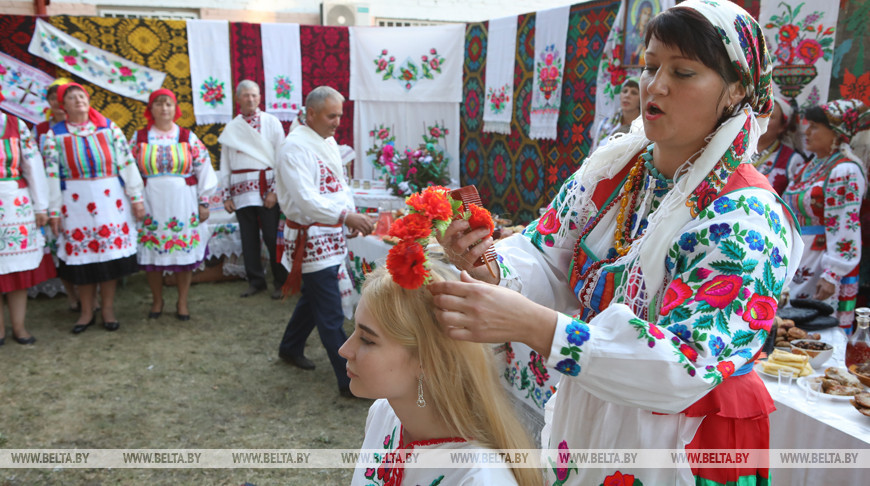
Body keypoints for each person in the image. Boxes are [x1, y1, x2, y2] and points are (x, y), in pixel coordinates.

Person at [429, 2, 803, 484]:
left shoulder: (745, 216)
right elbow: (546, 255)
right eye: (650, 67)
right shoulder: (616, 171)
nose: (656, 85)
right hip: (598, 406)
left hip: (682, 438)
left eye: (683, 72)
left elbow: (686, 362)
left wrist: (541, 329)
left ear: (736, 92)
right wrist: (488, 261)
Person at [342, 264, 539, 486]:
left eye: (367, 339)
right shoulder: (384, 414)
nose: (344, 350)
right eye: (355, 333)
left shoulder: (479, 477)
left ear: (425, 360)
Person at [274, 86, 373, 395]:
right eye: (332, 116)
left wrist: (350, 216)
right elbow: (305, 200)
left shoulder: (326, 141)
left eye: (340, 115)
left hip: (329, 234)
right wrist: (346, 217)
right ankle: (348, 382)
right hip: (312, 238)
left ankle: (290, 347)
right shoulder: (293, 148)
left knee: (315, 296)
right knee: (330, 314)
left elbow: (339, 184)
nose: (337, 122)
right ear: (311, 114)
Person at [43, 82, 145, 334]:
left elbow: (127, 162)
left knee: (109, 258)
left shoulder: (109, 129)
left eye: (82, 96)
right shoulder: (54, 135)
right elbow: (51, 176)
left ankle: (108, 308)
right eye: (72, 98)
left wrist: (136, 197)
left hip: (110, 201)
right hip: (75, 205)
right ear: (63, 106)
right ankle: (87, 311)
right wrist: (53, 211)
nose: (78, 100)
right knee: (83, 260)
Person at [130, 89, 218, 321]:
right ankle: (157, 300)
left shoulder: (186, 137)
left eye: (168, 104)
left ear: (175, 108)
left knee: (183, 254)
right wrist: (135, 201)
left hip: (183, 202)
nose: (164, 108)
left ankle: (182, 301)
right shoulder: (140, 138)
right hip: (151, 202)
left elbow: (204, 168)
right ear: (151, 110)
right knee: (152, 254)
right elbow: (129, 172)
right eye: (158, 104)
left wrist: (204, 202)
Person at [783, 99, 868, 333]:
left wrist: (833, 274)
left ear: (837, 134)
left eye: (815, 127)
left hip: (823, 261)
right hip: (801, 256)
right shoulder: (810, 166)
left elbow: (845, 225)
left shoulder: (845, 170)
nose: (807, 132)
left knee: (816, 326)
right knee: (791, 325)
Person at [218, 80, 287, 299]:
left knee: (271, 236)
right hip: (240, 192)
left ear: (260, 97)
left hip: (266, 188)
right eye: (246, 95)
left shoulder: (272, 122)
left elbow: (282, 157)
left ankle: (280, 281)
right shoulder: (232, 128)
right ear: (238, 99)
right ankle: (255, 281)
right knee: (248, 238)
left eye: (254, 95)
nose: (250, 99)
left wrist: (275, 190)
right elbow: (225, 163)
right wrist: (226, 195)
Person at [0, 110, 55, 346]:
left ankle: (20, 327)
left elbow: (33, 166)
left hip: (14, 205)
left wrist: (40, 206)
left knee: (16, 273)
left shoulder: (15, 125)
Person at [35, 77, 81, 312]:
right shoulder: (41, 130)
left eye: (60, 98)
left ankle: (90, 297)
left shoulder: (80, 126)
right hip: (51, 191)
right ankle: (71, 295)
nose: (57, 102)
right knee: (59, 246)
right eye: (53, 98)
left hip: (77, 193)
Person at [753, 97, 806, 195]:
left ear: (782, 127)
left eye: (770, 117)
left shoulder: (792, 160)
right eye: (760, 113)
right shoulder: (738, 151)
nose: (761, 119)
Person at [590, 77, 640, 153]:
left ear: (641, 99)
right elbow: (594, 153)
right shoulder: (605, 125)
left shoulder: (644, 127)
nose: (627, 95)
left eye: (634, 93)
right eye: (625, 91)